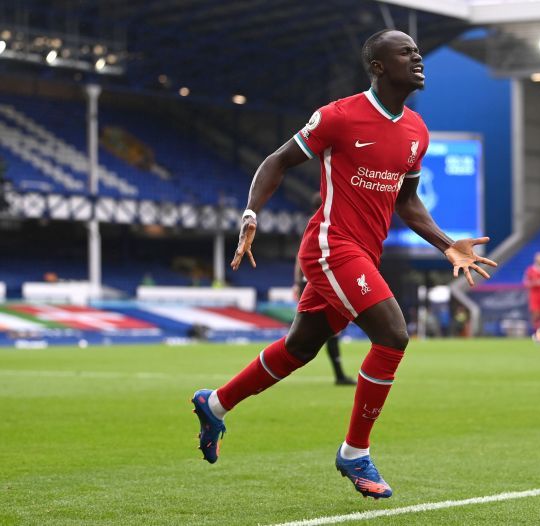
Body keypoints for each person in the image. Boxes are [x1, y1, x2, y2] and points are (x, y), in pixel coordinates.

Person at [190, 29, 497, 500]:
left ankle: (215, 403)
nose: (417, 57)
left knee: (300, 347)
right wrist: (251, 212)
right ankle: (355, 452)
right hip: (331, 246)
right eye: (405, 52)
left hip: (363, 252)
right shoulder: (339, 116)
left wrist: (446, 244)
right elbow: (276, 161)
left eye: (418, 51)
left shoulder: (417, 131)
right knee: (393, 334)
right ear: (377, 66)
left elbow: (408, 202)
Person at [293, 193, 356, 386]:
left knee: (317, 329)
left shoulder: (310, 225)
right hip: (321, 279)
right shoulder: (326, 224)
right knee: (323, 330)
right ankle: (339, 375)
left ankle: (338, 374)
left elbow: (299, 256)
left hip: (308, 280)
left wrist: (296, 282)